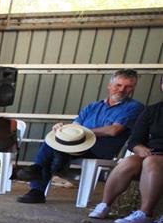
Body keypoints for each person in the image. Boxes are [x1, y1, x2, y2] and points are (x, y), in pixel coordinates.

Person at [18, 69, 144, 204]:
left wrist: (81, 132)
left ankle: (49, 170)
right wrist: (62, 129)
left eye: (128, 86)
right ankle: (44, 179)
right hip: (78, 145)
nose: (122, 90)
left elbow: (113, 130)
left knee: (56, 150)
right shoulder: (93, 106)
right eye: (118, 85)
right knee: (52, 141)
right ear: (109, 85)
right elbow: (75, 127)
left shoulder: (134, 107)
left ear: (133, 88)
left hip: (101, 149)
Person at [88, 77, 163, 223]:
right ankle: (105, 205)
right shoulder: (152, 111)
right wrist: (139, 148)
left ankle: (144, 213)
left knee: (151, 161)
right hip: (151, 153)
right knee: (129, 162)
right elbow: (135, 140)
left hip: (156, 159)